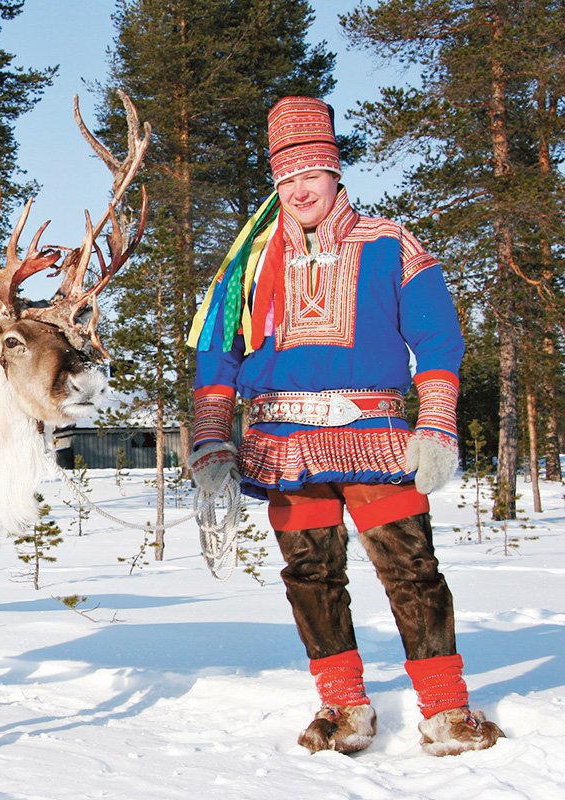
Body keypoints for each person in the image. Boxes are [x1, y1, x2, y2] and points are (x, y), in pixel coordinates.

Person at [186, 97, 503, 756]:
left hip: (374, 440)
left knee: (412, 570)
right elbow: (217, 352)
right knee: (310, 576)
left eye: (312, 173)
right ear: (276, 184)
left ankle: (447, 712)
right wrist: (213, 435)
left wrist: (439, 422)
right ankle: (343, 707)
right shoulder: (246, 267)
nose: (299, 189)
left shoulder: (390, 245)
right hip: (284, 448)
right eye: (286, 178)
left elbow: (438, 338)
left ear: (335, 174)